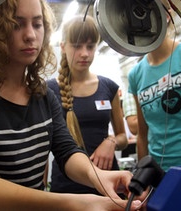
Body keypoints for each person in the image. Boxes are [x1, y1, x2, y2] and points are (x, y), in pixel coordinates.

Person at [0, 0, 143, 210]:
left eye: (37, 24)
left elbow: (66, 150)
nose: (30, 35)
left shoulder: (43, 95)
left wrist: (99, 177)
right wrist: (74, 203)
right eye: (16, 24)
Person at [47, 15, 128, 195]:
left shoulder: (109, 87)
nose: (85, 53)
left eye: (90, 46)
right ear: (63, 47)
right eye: (77, 46)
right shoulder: (49, 91)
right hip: (67, 186)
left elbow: (122, 136)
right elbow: (42, 147)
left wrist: (111, 141)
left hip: (107, 183)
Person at [127, 0, 181, 172]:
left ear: (167, 14)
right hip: (158, 173)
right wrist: (143, 176)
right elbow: (142, 133)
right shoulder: (135, 75)